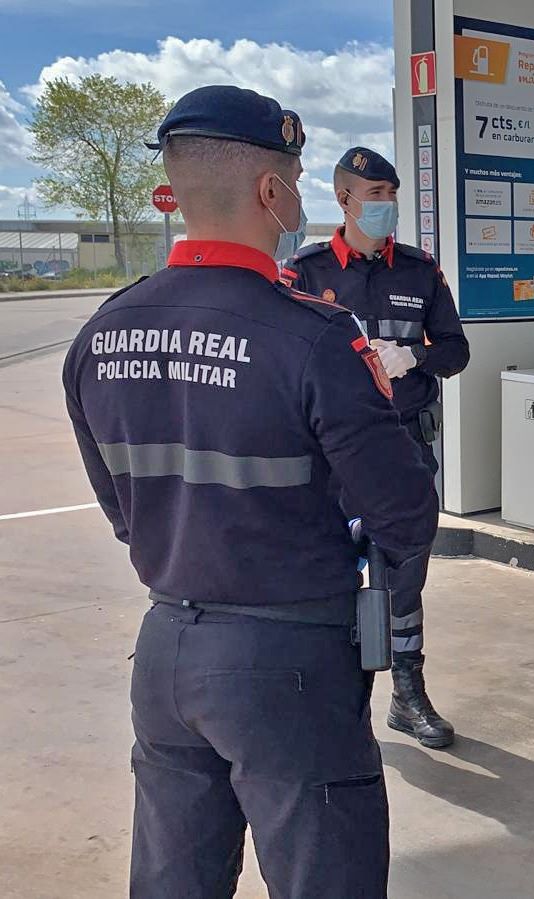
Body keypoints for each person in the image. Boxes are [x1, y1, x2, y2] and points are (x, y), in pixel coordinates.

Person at [63, 85, 439, 898]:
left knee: (172, 880)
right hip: (290, 659)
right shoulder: (312, 334)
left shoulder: (103, 332)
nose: (298, 197)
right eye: (296, 178)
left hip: (167, 648)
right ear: (271, 193)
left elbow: (124, 511)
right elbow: (406, 511)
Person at [281, 146, 469, 749]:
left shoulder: (419, 271)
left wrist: (414, 354)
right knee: (324, 573)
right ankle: (330, 700)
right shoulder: (307, 274)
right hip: (330, 459)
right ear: (344, 200)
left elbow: (457, 350)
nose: (388, 207)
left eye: (392, 195)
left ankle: (407, 695)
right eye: (376, 196)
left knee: (405, 575)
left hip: (404, 449)